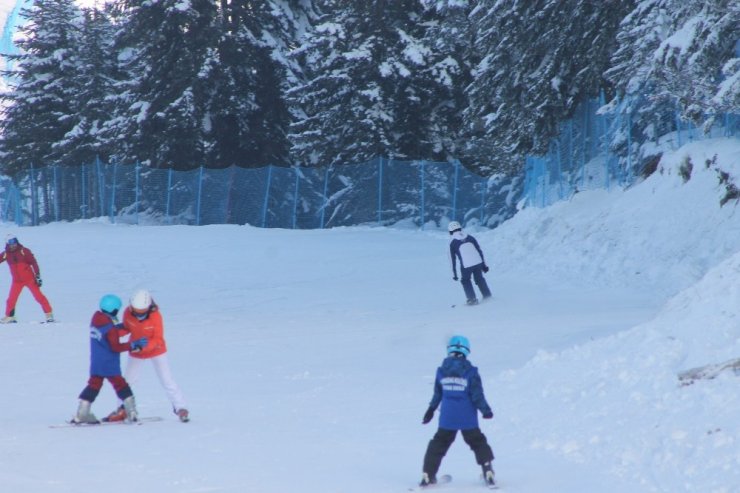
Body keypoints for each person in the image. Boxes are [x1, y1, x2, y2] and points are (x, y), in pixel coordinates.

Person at [419, 335, 496, 488]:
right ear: (467, 351)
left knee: (439, 443)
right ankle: (487, 470)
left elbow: (438, 393)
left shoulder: (441, 371)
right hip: (467, 417)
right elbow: (477, 395)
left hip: (448, 417)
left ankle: (428, 474)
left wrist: (431, 410)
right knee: (477, 441)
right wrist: (485, 410)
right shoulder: (471, 372)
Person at [104, 289, 190, 423]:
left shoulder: (156, 317)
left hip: (156, 350)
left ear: (148, 308)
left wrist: (144, 347)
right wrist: (113, 333)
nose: (138, 316)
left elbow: (158, 339)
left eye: (142, 313)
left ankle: (180, 407)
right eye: (135, 312)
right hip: (136, 351)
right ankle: (122, 409)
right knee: (127, 382)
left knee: (167, 380)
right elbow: (126, 327)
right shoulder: (128, 312)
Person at [71, 294, 148, 424]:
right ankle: (132, 412)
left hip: (96, 361)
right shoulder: (110, 328)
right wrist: (133, 345)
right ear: (114, 310)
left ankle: (82, 412)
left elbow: (105, 333)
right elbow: (115, 347)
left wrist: (117, 327)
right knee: (120, 385)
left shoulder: (96, 319)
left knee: (94, 385)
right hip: (109, 363)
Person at [0, 235, 54, 323]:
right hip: (17, 281)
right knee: (11, 299)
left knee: (39, 297)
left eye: (15, 242)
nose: (13, 245)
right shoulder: (6, 254)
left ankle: (49, 314)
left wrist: (37, 276)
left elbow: (34, 263)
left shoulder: (24, 251)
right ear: (7, 244)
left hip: (29, 279)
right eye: (11, 243)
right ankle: (10, 317)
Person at [448, 221, 491, 305]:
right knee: (479, 279)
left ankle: (472, 299)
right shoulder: (470, 237)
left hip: (466, 265)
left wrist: (454, 274)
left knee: (465, 280)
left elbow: (452, 260)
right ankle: (487, 296)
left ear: (450, 231)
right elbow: (479, 251)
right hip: (478, 262)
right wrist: (484, 265)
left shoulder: (452, 242)